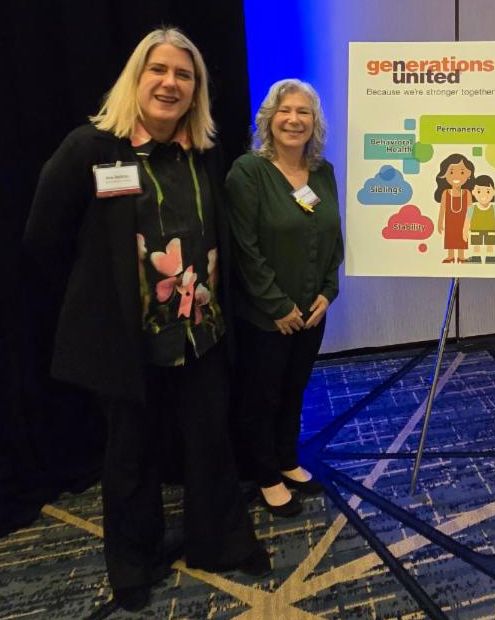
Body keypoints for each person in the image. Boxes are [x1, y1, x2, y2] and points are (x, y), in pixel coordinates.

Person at [22, 27, 268, 611]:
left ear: (196, 90)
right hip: (126, 340)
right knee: (129, 454)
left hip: (199, 331)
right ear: (137, 78)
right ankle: (134, 562)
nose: (170, 82)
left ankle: (222, 540)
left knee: (210, 442)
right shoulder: (91, 149)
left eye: (185, 75)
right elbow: (41, 239)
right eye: (159, 70)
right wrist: (100, 296)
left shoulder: (204, 153)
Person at [225, 79, 343, 518]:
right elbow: (245, 247)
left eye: (304, 112)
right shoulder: (247, 172)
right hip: (266, 315)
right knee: (262, 394)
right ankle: (265, 473)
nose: (294, 120)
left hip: (313, 312)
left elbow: (333, 237)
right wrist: (277, 306)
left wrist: (328, 293)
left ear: (315, 123)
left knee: (294, 387)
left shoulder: (323, 172)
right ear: (270, 119)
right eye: (285, 111)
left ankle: (286, 458)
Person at [435, 154, 474, 263]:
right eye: (451, 172)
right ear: (445, 175)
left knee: (462, 237)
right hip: (450, 221)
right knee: (450, 237)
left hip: (463, 221)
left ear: (468, 174)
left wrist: (469, 223)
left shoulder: (467, 193)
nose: (456, 176)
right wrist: (439, 222)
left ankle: (461, 256)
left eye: (462, 172)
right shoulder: (445, 193)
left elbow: (470, 209)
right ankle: (450, 255)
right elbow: (442, 208)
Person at [463, 175, 495, 263]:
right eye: (479, 191)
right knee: (476, 244)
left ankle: (490, 258)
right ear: (473, 192)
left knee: (490, 245)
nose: (483, 195)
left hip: (491, 230)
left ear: (494, 192)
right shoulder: (472, 208)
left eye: (488, 191)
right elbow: (467, 220)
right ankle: (476, 258)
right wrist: (465, 231)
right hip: (475, 230)